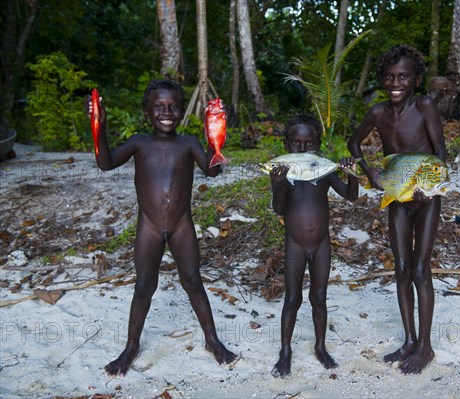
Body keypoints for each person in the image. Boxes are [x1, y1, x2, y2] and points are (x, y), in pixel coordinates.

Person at [86, 80, 237, 376]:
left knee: (193, 281)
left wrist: (216, 132)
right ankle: (131, 347)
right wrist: (99, 125)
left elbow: (213, 169)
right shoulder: (138, 142)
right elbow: (105, 163)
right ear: (147, 111)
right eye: (159, 107)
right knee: (144, 286)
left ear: (181, 112)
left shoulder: (188, 143)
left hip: (181, 225)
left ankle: (212, 340)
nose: (166, 112)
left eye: (173, 107)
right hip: (149, 227)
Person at [347, 45, 447, 374]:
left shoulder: (425, 105)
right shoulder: (377, 113)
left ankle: (426, 347)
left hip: (426, 197)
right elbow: (353, 142)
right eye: (389, 77)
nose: (395, 83)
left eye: (403, 76)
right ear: (382, 80)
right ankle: (408, 340)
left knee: (420, 269)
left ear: (415, 79)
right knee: (401, 268)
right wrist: (368, 172)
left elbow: (440, 151)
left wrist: (429, 187)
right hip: (397, 196)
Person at [269, 114, 358, 377]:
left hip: (321, 246)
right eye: (296, 143)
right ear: (287, 145)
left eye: (309, 143)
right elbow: (279, 209)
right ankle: (285, 351)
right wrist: (278, 186)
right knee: (293, 299)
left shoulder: (324, 170)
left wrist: (352, 174)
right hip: (295, 244)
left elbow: (351, 196)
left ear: (317, 144)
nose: (302, 148)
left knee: (319, 298)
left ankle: (320, 346)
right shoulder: (282, 170)